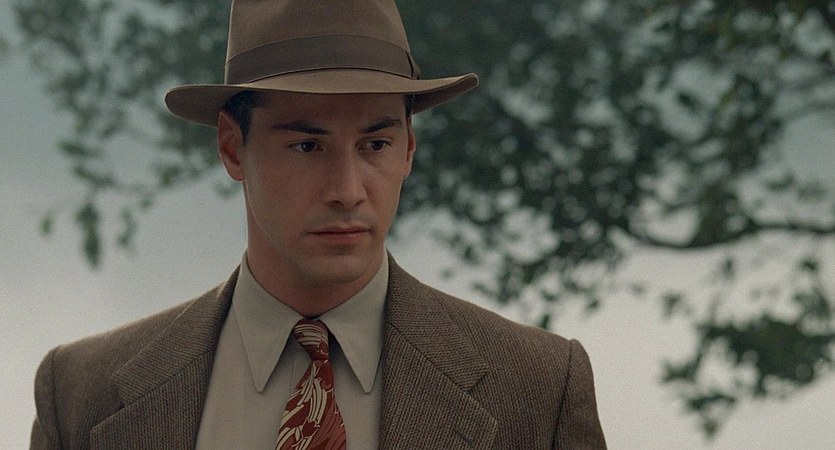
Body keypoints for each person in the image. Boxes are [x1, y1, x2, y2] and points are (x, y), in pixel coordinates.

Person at [30, 0, 607, 448]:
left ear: (409, 148)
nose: (347, 191)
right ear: (232, 147)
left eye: (375, 144)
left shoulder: (536, 389)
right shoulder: (82, 396)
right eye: (308, 146)